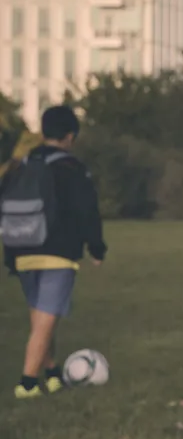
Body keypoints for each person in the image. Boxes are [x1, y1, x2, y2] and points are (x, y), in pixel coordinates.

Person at [1, 103, 105, 398]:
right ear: (70, 136)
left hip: (21, 250)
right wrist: (96, 248)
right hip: (57, 252)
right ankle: (28, 384)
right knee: (45, 322)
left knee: (42, 319)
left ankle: (52, 374)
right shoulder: (72, 169)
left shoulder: (21, 165)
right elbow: (88, 212)